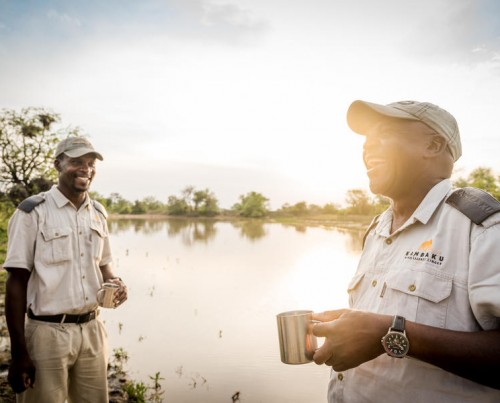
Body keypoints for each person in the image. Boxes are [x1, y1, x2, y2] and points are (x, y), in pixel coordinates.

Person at [312, 100, 500, 402]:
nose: (367, 147)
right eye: (365, 140)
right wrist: (352, 328)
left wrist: (391, 333)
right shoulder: (376, 230)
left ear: (433, 145)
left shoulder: (482, 228)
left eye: (382, 133)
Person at [3, 136, 127, 403]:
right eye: (77, 162)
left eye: (91, 163)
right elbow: (16, 281)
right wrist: (18, 354)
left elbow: (104, 264)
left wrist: (116, 283)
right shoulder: (31, 212)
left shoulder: (98, 212)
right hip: (47, 334)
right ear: (58, 164)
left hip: (93, 330)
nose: (86, 169)